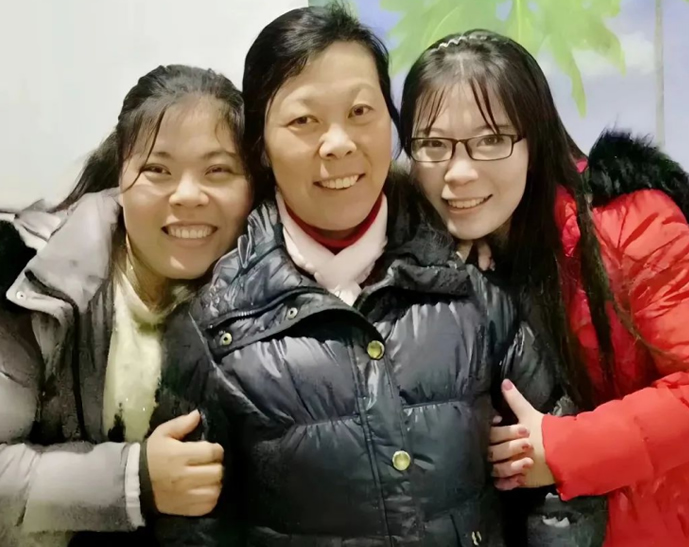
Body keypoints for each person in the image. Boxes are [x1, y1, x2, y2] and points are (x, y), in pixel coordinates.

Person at [152, 5, 557, 546]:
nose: (339, 142)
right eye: (304, 121)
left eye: (361, 111)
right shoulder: (214, 329)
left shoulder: (469, 284)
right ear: (261, 147)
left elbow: (558, 476)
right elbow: (191, 531)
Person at [401, 29, 689, 546]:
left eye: (491, 140)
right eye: (434, 145)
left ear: (535, 140)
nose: (459, 172)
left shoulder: (631, 227)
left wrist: (565, 448)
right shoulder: (420, 254)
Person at [0, 65, 254, 547]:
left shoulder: (272, 294)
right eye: (158, 170)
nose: (187, 195)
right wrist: (134, 481)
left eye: (217, 170)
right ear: (122, 173)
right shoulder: (33, 279)